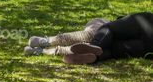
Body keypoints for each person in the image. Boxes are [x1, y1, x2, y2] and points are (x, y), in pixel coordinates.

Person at [24, 13, 153, 64]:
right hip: (148, 49)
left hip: (145, 24)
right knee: (112, 51)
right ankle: (44, 51)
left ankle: (47, 41)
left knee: (103, 30)